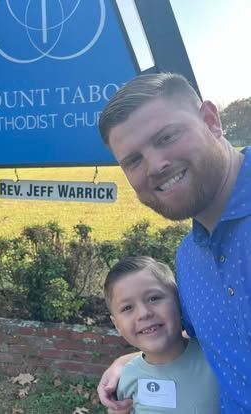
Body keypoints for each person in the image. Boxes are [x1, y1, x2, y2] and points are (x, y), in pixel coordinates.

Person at [97, 73, 251, 413]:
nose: (155, 166)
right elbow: (206, 341)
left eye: (167, 136)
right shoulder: (190, 259)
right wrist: (134, 360)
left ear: (211, 121)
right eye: (133, 160)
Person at [104, 256, 219, 413]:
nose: (143, 313)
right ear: (116, 324)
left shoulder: (216, 358)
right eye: (127, 308)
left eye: (154, 298)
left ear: (179, 302)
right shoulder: (127, 378)